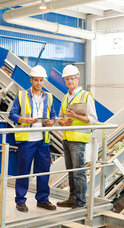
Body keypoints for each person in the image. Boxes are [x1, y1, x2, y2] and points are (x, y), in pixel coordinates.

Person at [9, 65, 57, 212]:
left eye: (41, 80)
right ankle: (20, 201)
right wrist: (23, 119)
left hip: (43, 141)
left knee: (44, 170)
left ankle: (42, 200)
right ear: (31, 80)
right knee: (23, 171)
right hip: (27, 141)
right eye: (36, 80)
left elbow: (53, 115)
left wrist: (51, 122)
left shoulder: (48, 97)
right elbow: (12, 114)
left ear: (44, 81)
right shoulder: (21, 95)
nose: (38, 83)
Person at [56, 64, 98, 209]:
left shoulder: (86, 96)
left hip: (78, 140)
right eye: (67, 79)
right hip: (66, 139)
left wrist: (75, 116)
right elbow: (60, 118)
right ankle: (72, 198)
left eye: (72, 79)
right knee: (71, 171)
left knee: (79, 172)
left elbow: (93, 120)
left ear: (78, 78)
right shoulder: (65, 98)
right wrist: (63, 122)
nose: (69, 82)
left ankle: (80, 202)